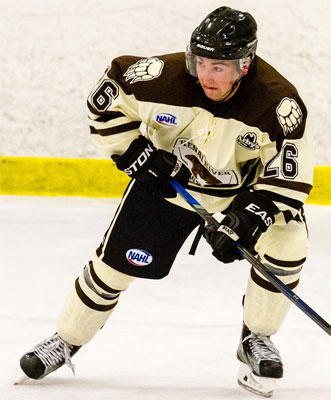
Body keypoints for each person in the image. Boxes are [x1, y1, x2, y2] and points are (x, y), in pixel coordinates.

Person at [17, 6, 314, 397]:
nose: (206, 75)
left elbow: (289, 173)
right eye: (200, 62)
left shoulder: (277, 104)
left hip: (238, 196)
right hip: (166, 188)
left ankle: (255, 338)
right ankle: (66, 339)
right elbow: (104, 102)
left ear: (245, 64)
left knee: (289, 241)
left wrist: (250, 215)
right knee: (112, 268)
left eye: (219, 67)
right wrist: (134, 153)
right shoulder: (161, 77)